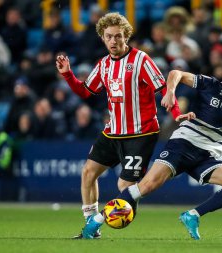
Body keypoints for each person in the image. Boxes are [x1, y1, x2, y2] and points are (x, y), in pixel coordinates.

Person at [81, 63, 222, 240]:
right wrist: (170, 91)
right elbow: (176, 73)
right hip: (183, 144)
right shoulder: (210, 84)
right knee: (147, 187)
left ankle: (192, 215)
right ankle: (97, 220)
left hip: (206, 157)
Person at [55, 12, 183, 239]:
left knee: (124, 184)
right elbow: (86, 91)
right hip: (114, 131)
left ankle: (117, 213)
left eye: (118, 36)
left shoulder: (141, 60)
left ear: (126, 36)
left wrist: (177, 114)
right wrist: (68, 75)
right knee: (88, 173)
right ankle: (90, 228)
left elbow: (163, 89)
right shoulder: (103, 65)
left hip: (141, 133)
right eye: (108, 37)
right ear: (103, 38)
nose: (113, 41)